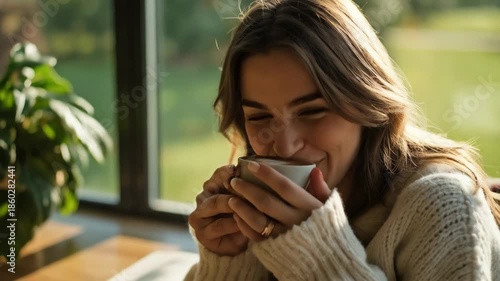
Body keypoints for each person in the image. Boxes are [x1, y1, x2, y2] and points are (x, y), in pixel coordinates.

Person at [185, 0, 500, 280]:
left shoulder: (444, 206)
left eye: (312, 111)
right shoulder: (263, 206)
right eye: (260, 117)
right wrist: (230, 261)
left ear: (365, 100)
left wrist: (319, 258)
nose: (285, 146)